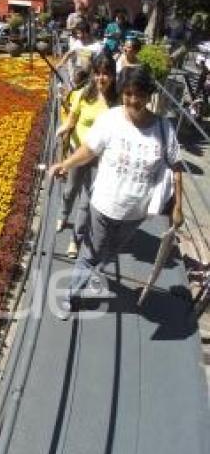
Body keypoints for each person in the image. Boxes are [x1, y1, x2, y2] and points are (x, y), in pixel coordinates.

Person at [48, 66, 184, 319]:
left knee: (108, 254)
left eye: (139, 94)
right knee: (90, 254)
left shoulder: (164, 129)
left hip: (136, 213)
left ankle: (92, 269)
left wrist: (177, 207)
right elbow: (89, 150)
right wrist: (64, 165)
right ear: (122, 93)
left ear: (149, 95)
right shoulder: (110, 119)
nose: (133, 100)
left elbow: (176, 167)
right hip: (103, 205)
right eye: (128, 93)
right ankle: (71, 296)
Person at [55, 53, 118, 258]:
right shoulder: (83, 94)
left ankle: (76, 239)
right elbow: (72, 120)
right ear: (92, 74)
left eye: (106, 74)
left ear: (113, 76)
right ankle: (63, 215)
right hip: (77, 152)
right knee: (70, 189)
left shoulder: (117, 102)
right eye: (97, 73)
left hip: (100, 160)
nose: (101, 78)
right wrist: (63, 128)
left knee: (86, 201)